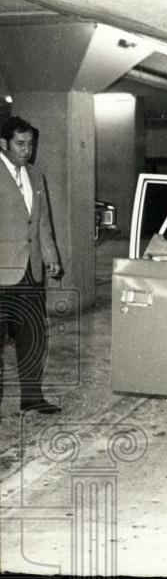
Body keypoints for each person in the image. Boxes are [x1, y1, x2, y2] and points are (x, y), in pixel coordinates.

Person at [0, 116, 62, 415]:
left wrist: (50, 258)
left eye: (30, 145)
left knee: (33, 336)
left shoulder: (36, 177)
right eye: (20, 144)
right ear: (4, 143)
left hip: (31, 270)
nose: (27, 150)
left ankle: (32, 397)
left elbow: (42, 223)